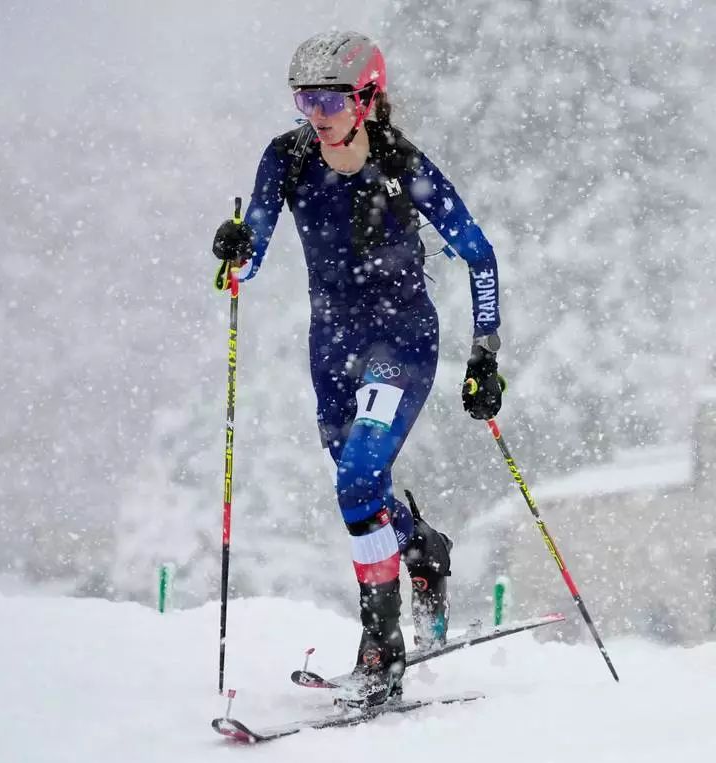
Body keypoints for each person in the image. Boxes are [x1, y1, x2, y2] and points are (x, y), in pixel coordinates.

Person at [211, 31, 505, 704]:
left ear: (367, 98)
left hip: (400, 344)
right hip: (331, 350)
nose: (314, 112)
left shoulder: (402, 163)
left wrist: (484, 355)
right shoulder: (285, 159)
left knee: (357, 478)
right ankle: (423, 547)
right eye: (301, 98)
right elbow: (247, 257)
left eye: (328, 99)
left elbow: (480, 254)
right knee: (360, 491)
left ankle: (382, 653)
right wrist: (234, 250)